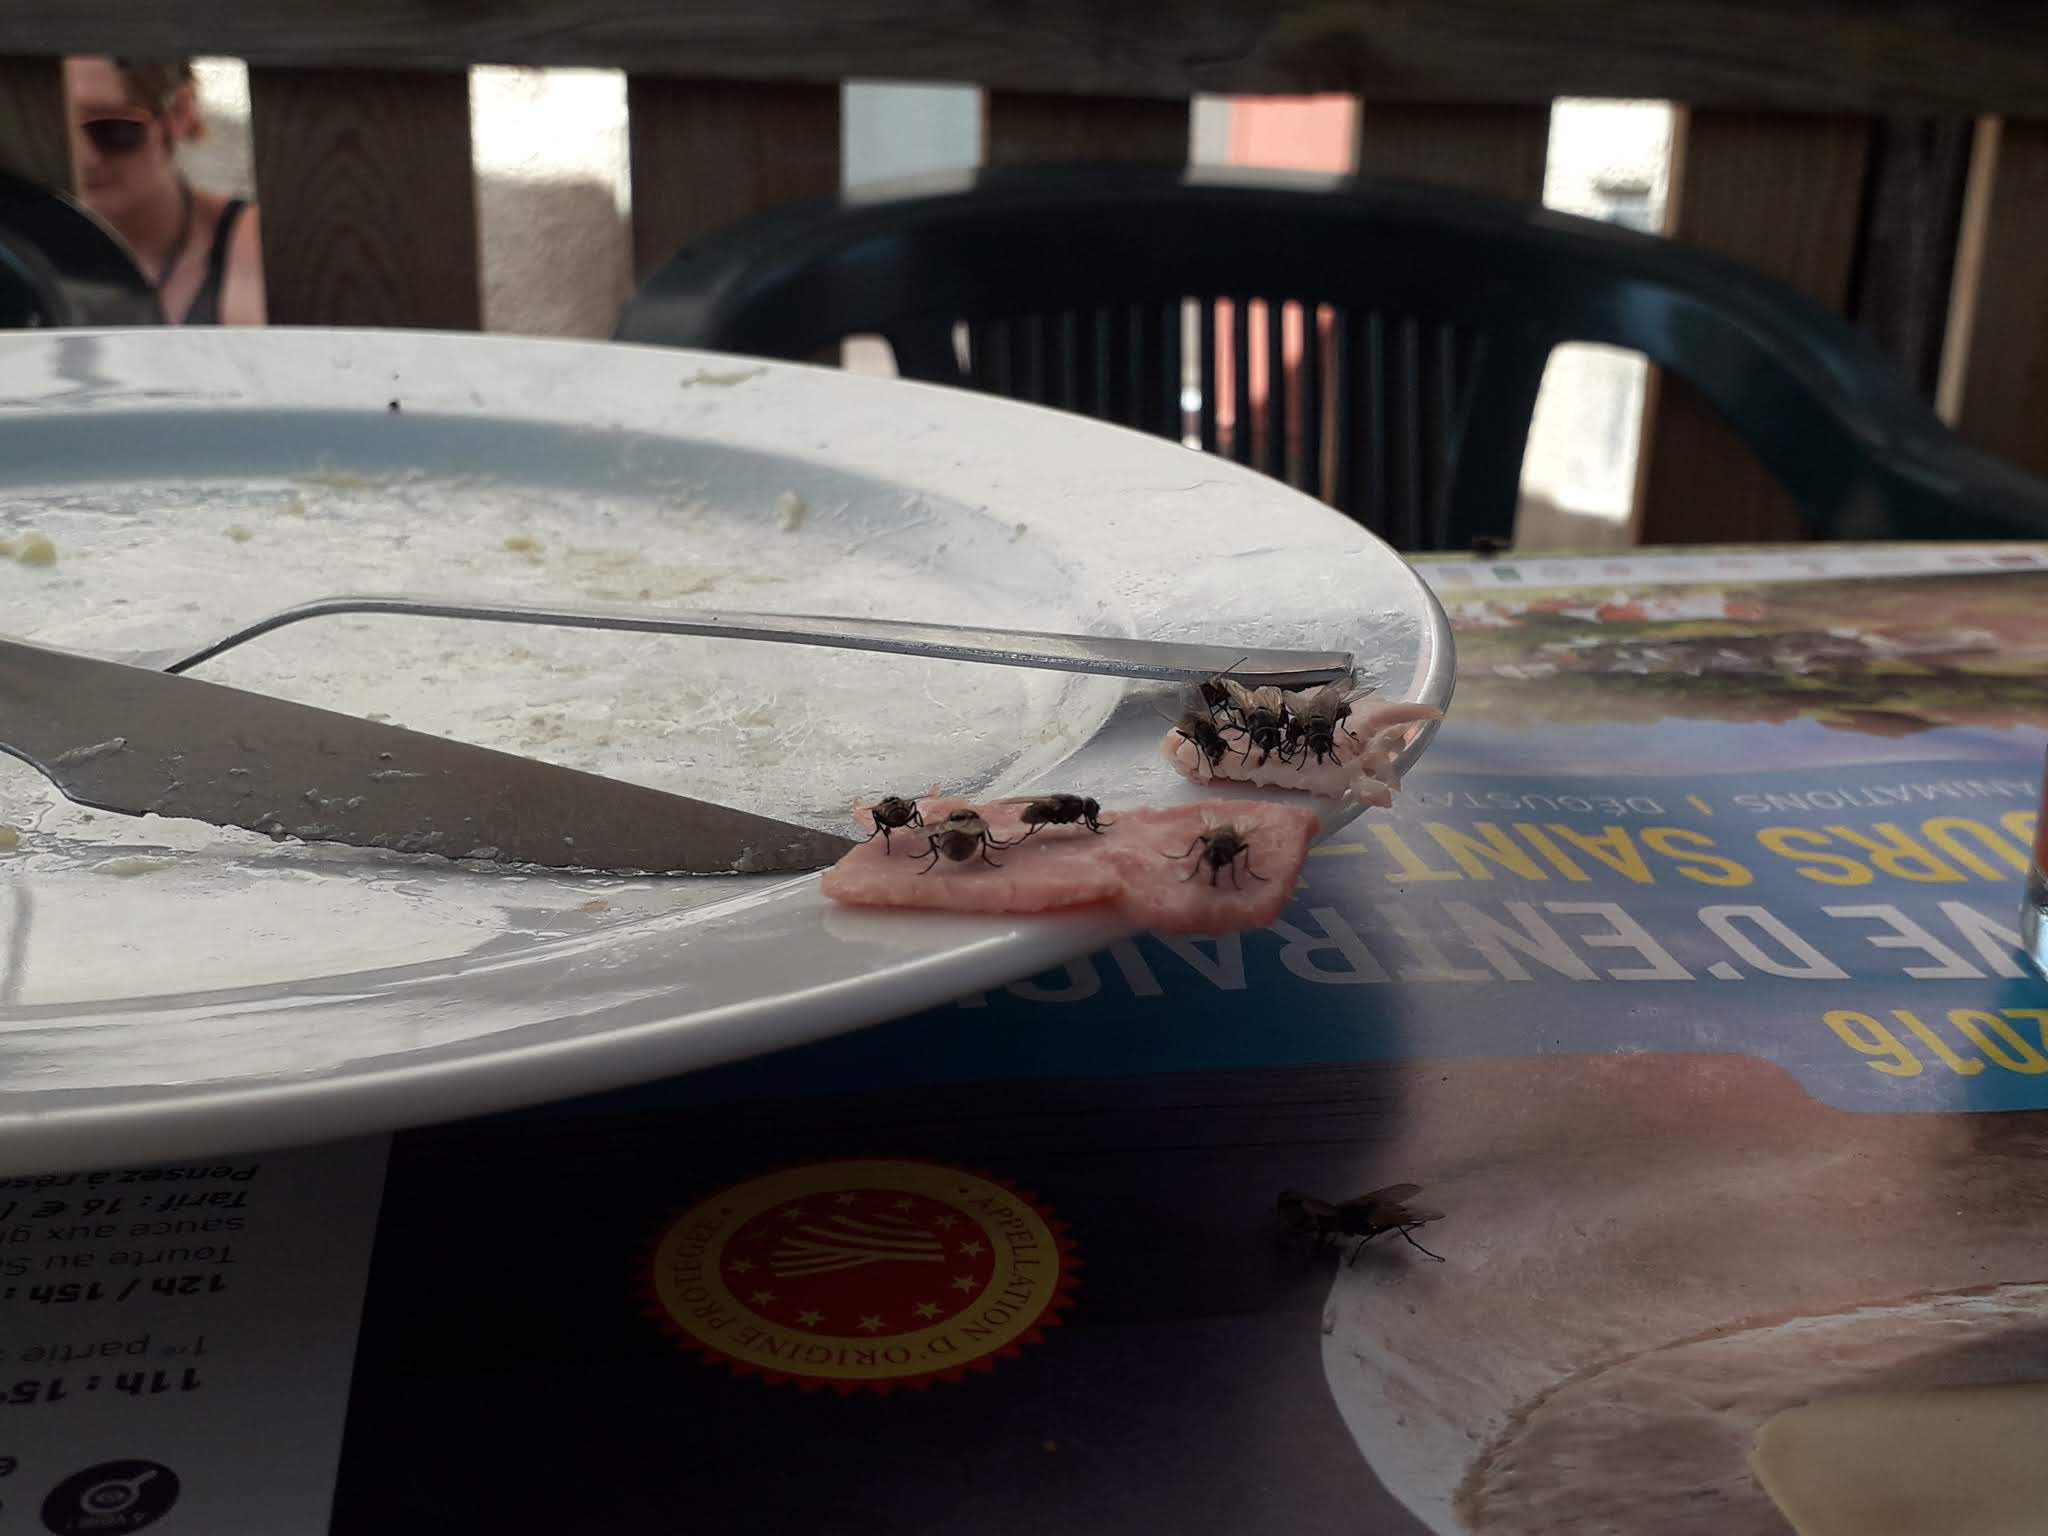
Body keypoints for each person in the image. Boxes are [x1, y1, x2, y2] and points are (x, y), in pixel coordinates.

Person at [64, 55, 265, 325]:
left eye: (111, 127)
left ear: (180, 111)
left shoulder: (245, 243)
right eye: (62, 132)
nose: (86, 158)